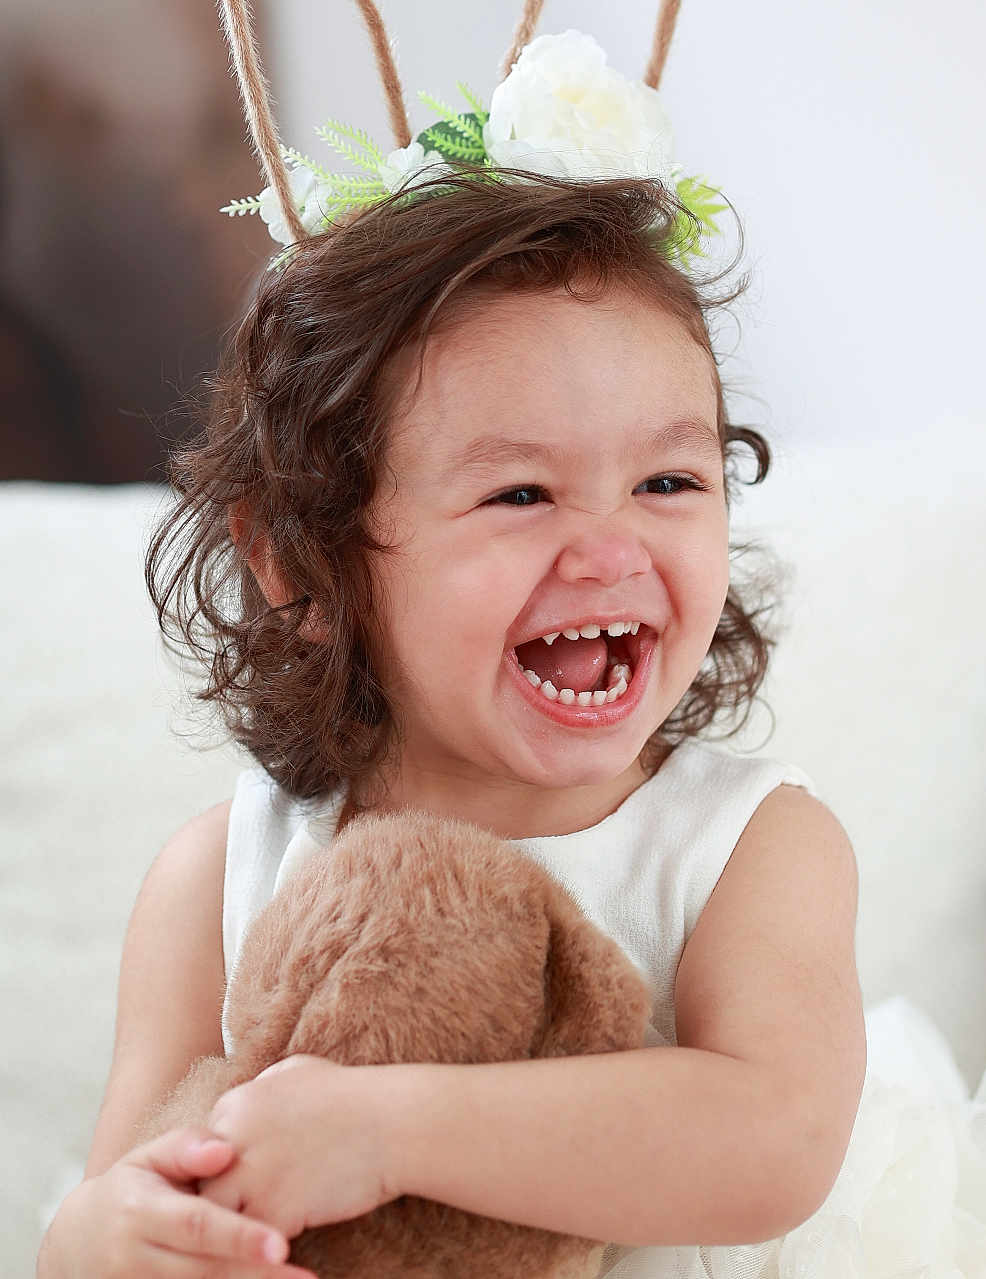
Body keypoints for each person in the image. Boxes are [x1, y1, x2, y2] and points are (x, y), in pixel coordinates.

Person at [34, 154, 869, 1275]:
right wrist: (92, 1241)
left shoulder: (746, 846)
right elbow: (133, 1190)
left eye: (668, 482)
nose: (609, 549)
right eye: (519, 493)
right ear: (299, 565)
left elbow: (776, 1143)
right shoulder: (219, 878)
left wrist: (386, 1133)